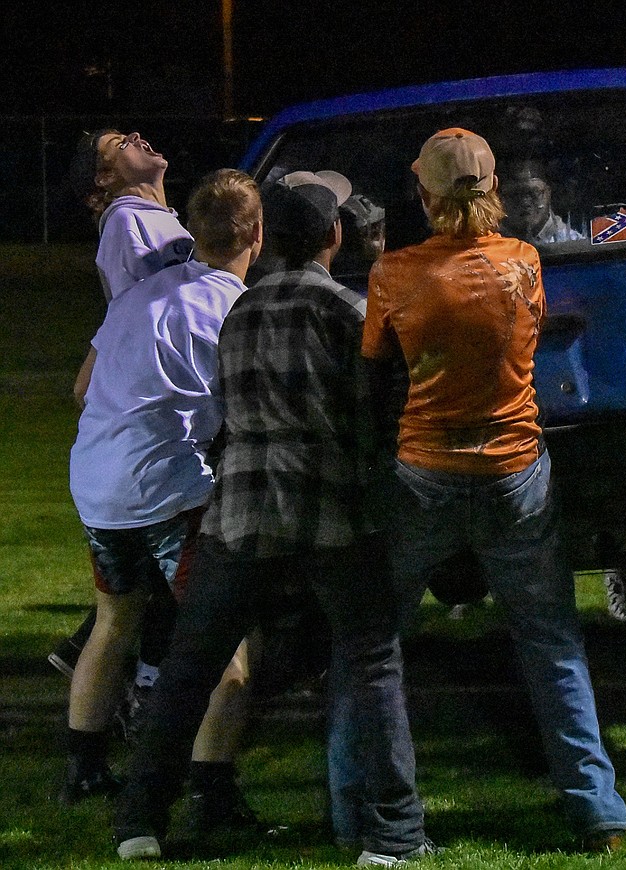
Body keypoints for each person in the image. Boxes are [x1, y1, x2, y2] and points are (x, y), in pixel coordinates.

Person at [114, 169, 435, 866]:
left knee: (189, 666)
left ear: (269, 239)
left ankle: (139, 820)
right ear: (333, 236)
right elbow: (379, 412)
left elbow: (227, 411)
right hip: (328, 507)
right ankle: (393, 832)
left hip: (241, 509)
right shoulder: (348, 312)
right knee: (372, 659)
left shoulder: (240, 311)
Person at [363, 128, 626, 852]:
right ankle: (596, 807)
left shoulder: (393, 273)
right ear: (494, 191)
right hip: (514, 469)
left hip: (425, 470)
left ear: (422, 193)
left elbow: (376, 365)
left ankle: (361, 806)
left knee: (373, 644)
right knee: (550, 641)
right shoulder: (523, 261)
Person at [61, 169, 258, 808]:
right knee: (220, 637)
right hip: (171, 490)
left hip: (96, 484)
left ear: (190, 231)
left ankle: (85, 770)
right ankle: (211, 787)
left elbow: (83, 390)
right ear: (257, 232)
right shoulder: (233, 307)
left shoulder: (135, 296)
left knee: (114, 620)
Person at [53, 130, 197, 727]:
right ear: (103, 179)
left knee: (127, 606)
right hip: (157, 429)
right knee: (192, 599)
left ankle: (99, 712)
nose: (138, 136)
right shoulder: (130, 222)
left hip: (141, 436)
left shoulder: (154, 217)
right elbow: (148, 312)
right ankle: (159, 704)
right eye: (118, 143)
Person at [499, 157, 583, 243]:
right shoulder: (490, 245)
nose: (525, 202)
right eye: (515, 194)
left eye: (533, 193)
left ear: (548, 193)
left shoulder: (573, 243)